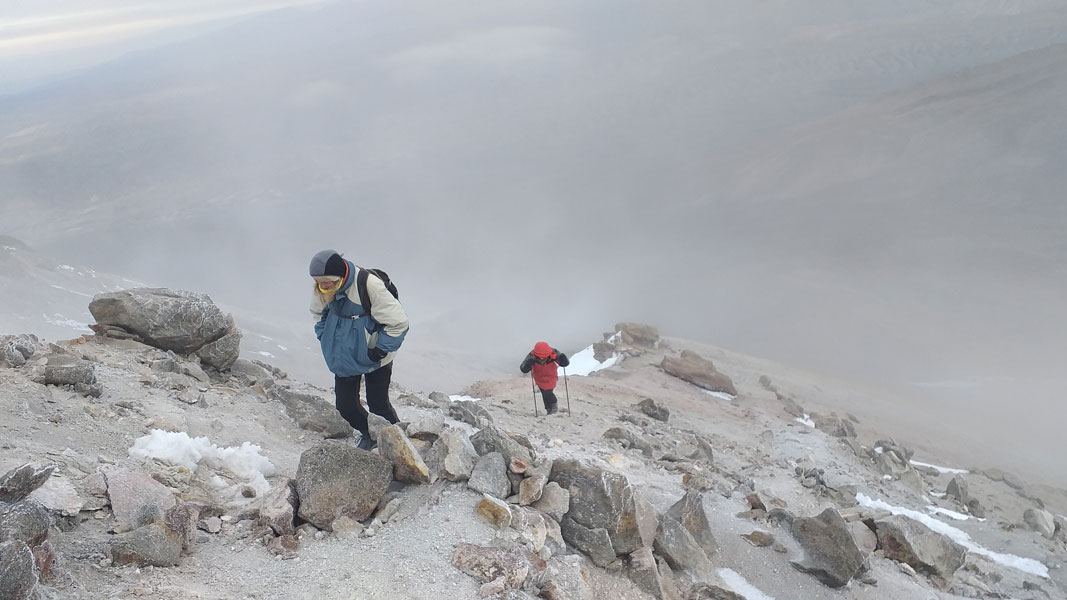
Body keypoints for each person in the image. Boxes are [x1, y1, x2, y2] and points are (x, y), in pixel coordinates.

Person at [309, 250, 409, 450]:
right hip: (343, 354)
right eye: (319, 281)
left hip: (375, 354)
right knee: (345, 407)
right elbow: (318, 314)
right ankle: (370, 434)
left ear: (341, 275)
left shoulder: (368, 285)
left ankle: (398, 445)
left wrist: (378, 351)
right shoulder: (322, 288)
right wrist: (325, 336)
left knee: (378, 405)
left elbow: (398, 323)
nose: (323, 286)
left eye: (328, 281)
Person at [520, 341, 570, 415]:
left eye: (544, 356)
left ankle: (553, 407)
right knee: (544, 393)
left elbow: (564, 363)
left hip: (551, 376)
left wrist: (563, 360)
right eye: (540, 357)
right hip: (539, 377)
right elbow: (523, 369)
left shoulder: (553, 352)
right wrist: (528, 364)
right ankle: (549, 409)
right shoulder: (531, 356)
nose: (543, 359)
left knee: (547, 392)